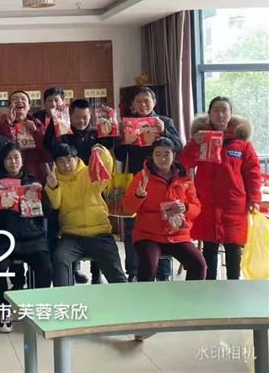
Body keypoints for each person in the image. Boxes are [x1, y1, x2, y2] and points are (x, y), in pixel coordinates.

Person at [179, 96, 261, 280]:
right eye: (216, 110)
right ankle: (210, 287)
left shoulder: (242, 144)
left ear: (231, 114)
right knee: (209, 248)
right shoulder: (201, 138)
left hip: (234, 204)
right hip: (206, 203)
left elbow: (253, 174)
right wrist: (195, 143)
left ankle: (233, 286)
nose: (220, 115)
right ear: (209, 114)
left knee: (234, 248)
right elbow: (186, 162)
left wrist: (254, 199)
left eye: (224, 110)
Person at [115, 86, 182, 281]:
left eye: (147, 100)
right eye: (139, 101)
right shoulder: (128, 123)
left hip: (163, 180)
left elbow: (178, 147)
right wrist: (123, 139)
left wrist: (164, 132)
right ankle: (133, 271)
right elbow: (120, 156)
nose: (143, 104)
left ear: (154, 102)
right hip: (137, 180)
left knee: (163, 223)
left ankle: (163, 272)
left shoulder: (165, 121)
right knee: (132, 228)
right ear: (133, 104)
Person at [48, 99, 115, 284]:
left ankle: (96, 274)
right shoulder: (64, 133)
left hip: (91, 181)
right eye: (77, 117)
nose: (81, 121)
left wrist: (110, 122)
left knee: (95, 224)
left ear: (90, 116)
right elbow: (52, 146)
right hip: (67, 184)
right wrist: (55, 120)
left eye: (85, 117)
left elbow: (109, 148)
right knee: (69, 230)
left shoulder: (96, 132)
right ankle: (74, 271)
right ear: (70, 116)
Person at [0, 143, 52, 333]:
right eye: (8, 158)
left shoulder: (33, 181)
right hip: (4, 238)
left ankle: (39, 307)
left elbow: (47, 212)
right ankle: (4, 310)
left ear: (22, 160)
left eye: (16, 157)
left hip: (32, 236)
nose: (13, 162)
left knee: (45, 267)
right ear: (3, 161)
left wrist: (40, 195)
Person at [123, 138, 206, 282]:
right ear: (152, 156)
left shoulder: (184, 178)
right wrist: (138, 196)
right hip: (148, 235)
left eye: (167, 154)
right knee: (149, 266)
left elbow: (196, 208)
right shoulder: (142, 176)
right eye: (158, 154)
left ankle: (191, 295)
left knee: (199, 264)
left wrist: (186, 208)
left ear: (174, 155)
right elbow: (128, 207)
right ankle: (143, 295)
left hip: (178, 235)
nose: (162, 158)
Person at [46, 143, 127, 286]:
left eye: (69, 160)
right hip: (71, 236)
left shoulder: (90, 172)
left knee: (115, 270)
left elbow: (107, 169)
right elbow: (55, 204)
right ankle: (63, 296)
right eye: (61, 161)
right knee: (59, 258)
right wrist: (53, 187)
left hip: (100, 234)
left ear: (77, 159)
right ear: (56, 164)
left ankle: (125, 296)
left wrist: (101, 151)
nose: (66, 165)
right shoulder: (54, 179)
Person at [0, 90, 50, 184]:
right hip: (11, 176)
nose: (19, 101)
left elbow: (46, 154)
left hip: (35, 175)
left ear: (29, 106)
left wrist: (35, 132)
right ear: (9, 106)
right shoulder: (2, 124)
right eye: (15, 99)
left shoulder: (38, 125)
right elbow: (3, 148)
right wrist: (9, 124)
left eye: (23, 99)